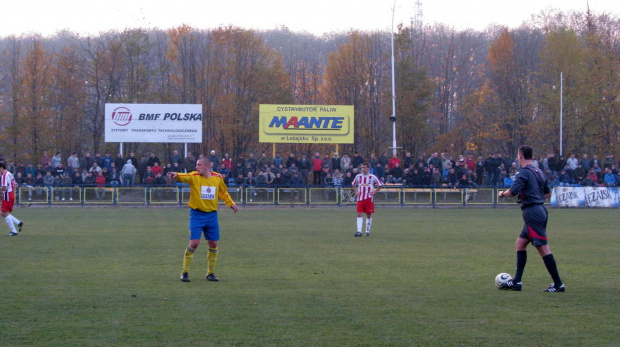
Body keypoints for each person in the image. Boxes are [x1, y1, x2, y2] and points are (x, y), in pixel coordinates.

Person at [498, 145, 565, 292]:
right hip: (539, 210)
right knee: (520, 244)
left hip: (532, 212)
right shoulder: (539, 171)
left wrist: (503, 193)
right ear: (532, 156)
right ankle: (517, 282)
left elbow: (514, 191)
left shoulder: (523, 172)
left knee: (543, 249)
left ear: (520, 156)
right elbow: (547, 193)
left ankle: (558, 284)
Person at [168, 157, 238, 283]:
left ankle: (210, 273)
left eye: (199, 165)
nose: (196, 167)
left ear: (207, 166)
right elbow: (184, 176)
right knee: (194, 243)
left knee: (213, 244)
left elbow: (223, 192)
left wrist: (231, 203)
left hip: (211, 216)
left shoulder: (217, 178)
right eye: (196, 164)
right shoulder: (194, 176)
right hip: (196, 215)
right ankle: (184, 272)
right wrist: (176, 175)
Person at [352, 162, 383, 237]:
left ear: (368, 168)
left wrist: (375, 191)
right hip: (360, 198)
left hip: (369, 198)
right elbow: (353, 184)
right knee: (359, 213)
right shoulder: (358, 176)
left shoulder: (372, 177)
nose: (363, 169)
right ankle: (359, 231)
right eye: (362, 167)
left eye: (365, 167)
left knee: (368, 215)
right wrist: (356, 191)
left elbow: (381, 184)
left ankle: (367, 230)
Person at [0, 162, 24, 236]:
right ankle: (19, 223)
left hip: (7, 195)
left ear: (1, 168)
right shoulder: (10, 174)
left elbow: (5, 188)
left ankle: (14, 231)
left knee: (4, 213)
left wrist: (2, 189)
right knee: (3, 213)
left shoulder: (4, 175)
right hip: (11, 194)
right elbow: (15, 185)